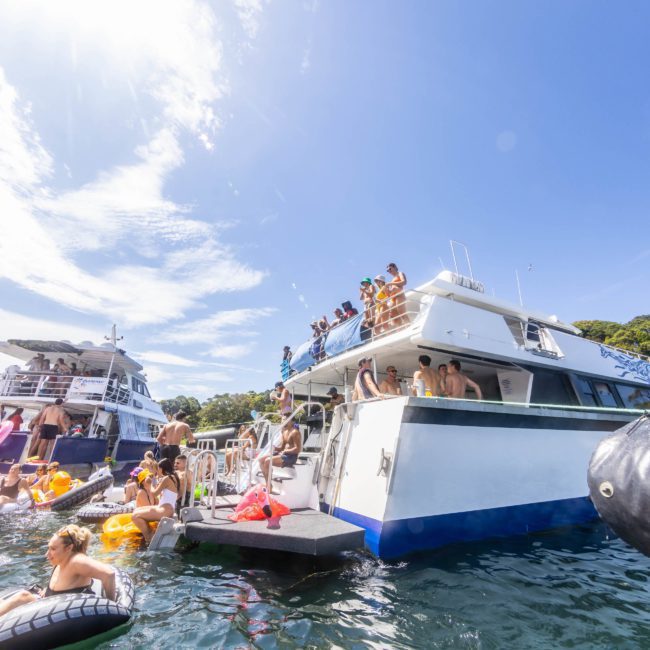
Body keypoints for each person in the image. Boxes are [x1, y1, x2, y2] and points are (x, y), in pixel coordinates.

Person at [0, 524, 116, 617]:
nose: (47, 554)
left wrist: (112, 605)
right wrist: (49, 590)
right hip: (49, 604)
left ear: (69, 548)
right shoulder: (60, 561)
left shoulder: (76, 561)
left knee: (23, 596)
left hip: (67, 614)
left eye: (53, 549)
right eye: (49, 547)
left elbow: (109, 575)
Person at [131, 458, 180, 544]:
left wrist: (149, 485)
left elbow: (154, 493)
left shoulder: (167, 478)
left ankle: (148, 537)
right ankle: (151, 532)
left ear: (161, 469)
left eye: (158, 469)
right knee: (136, 510)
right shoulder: (174, 477)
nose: (157, 471)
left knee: (135, 516)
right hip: (167, 509)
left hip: (164, 511)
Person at [385, 262, 408, 329]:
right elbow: (389, 294)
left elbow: (404, 282)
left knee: (402, 313)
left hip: (399, 295)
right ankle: (400, 329)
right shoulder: (392, 280)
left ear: (394, 267)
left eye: (389, 269)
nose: (389, 271)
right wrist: (386, 290)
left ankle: (408, 326)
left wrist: (390, 283)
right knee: (393, 315)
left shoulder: (400, 273)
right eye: (387, 270)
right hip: (393, 298)